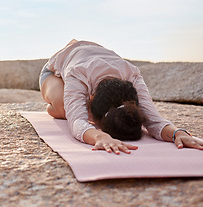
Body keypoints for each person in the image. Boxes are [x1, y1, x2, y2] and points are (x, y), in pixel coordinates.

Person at [40, 39, 203, 154]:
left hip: (93, 52)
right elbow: (77, 121)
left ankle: (77, 46)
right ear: (91, 97)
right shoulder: (78, 74)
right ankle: (70, 52)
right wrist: (99, 136)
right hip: (58, 69)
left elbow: (153, 120)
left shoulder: (133, 76)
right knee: (63, 108)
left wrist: (178, 134)